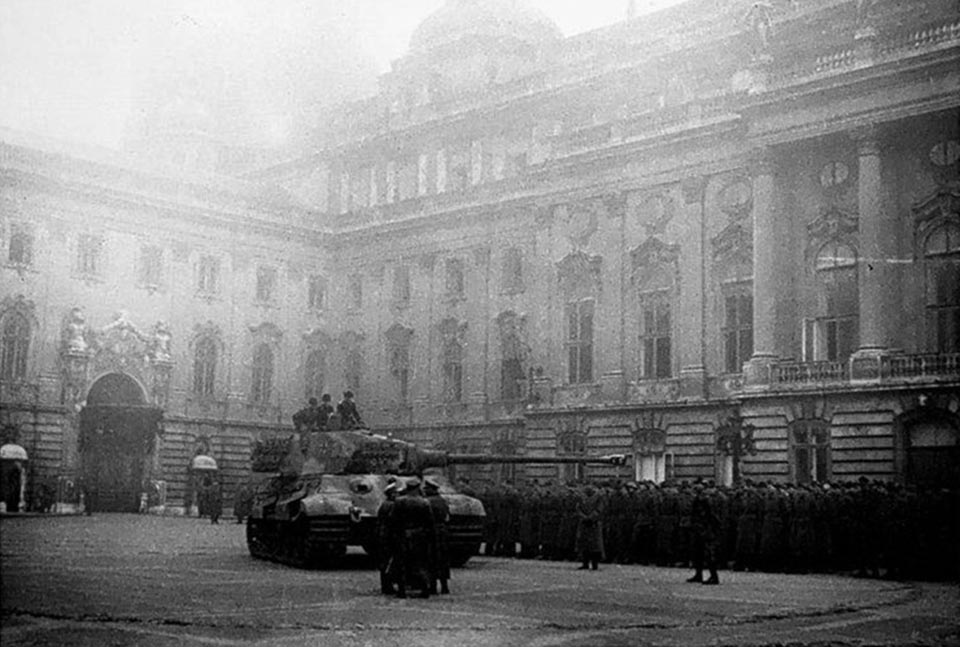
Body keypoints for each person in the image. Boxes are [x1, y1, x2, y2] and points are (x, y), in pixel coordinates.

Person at [390, 477, 435, 598]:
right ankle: (425, 588)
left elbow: (393, 519)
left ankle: (402, 590)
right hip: (420, 536)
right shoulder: (424, 502)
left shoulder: (399, 501)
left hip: (403, 535)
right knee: (421, 563)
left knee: (402, 563)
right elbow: (430, 522)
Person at [687, 482, 720, 585]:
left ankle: (714, 577)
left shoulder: (707, 501)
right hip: (698, 529)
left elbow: (713, 516)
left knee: (708, 554)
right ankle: (698, 574)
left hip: (706, 530)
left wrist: (712, 529)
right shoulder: (698, 501)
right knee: (698, 553)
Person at [424, 477, 451, 595]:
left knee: (431, 559)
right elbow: (447, 516)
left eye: (426, 488)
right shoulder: (442, 501)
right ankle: (444, 586)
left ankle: (433, 586)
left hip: (431, 532)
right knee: (443, 560)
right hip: (442, 532)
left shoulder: (427, 502)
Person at [377, 481, 400, 595]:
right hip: (389, 536)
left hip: (384, 535)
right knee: (389, 561)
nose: (397, 495)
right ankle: (388, 586)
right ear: (391, 494)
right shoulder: (391, 505)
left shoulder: (385, 504)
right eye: (395, 493)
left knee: (386, 561)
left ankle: (386, 585)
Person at [575, 484, 605, 570]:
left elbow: (599, 509)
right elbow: (577, 508)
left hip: (594, 524)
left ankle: (595, 564)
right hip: (584, 523)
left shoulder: (599, 498)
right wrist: (583, 517)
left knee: (595, 547)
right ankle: (585, 563)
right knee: (584, 545)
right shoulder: (581, 498)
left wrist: (590, 517)